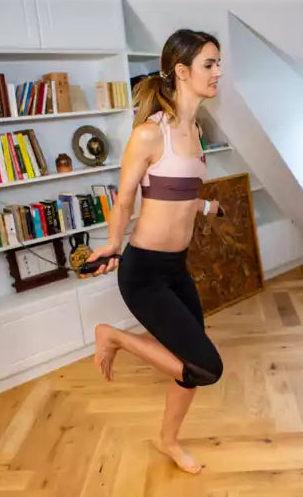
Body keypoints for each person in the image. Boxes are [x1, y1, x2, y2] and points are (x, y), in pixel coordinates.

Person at [86, 29, 224, 474]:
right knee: (206, 367)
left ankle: (168, 441)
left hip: (176, 269)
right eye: (209, 64)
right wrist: (112, 244)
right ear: (182, 71)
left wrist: (207, 206)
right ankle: (114, 337)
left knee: (191, 366)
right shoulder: (149, 134)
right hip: (144, 272)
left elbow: (177, 192)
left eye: (218, 64)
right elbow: (125, 199)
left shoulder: (196, 130)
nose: (217, 72)